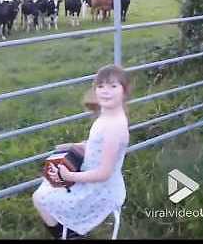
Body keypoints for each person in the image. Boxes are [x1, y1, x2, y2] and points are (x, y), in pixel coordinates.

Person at [32, 64, 131, 239]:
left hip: (101, 189)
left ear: (124, 91)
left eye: (113, 86)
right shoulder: (109, 115)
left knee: (41, 198)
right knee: (46, 187)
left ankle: (70, 235)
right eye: (100, 86)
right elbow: (99, 146)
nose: (105, 91)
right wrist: (75, 146)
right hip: (93, 178)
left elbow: (104, 173)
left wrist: (70, 177)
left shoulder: (114, 127)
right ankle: (69, 232)